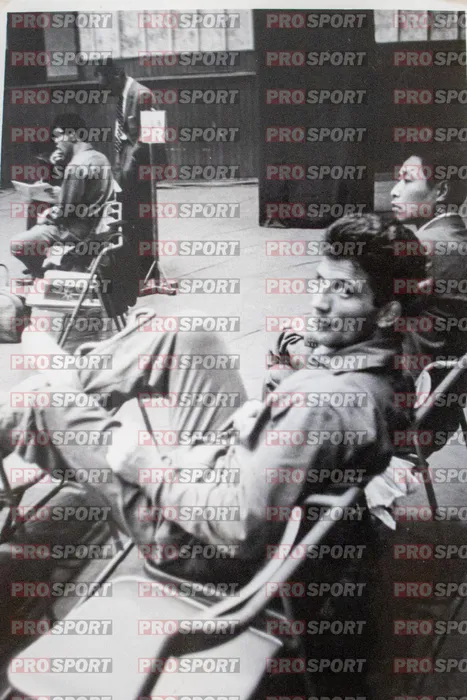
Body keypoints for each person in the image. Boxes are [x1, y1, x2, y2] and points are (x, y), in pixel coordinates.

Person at [0, 214, 425, 696]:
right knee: (190, 335)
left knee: (43, 401)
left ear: (387, 312)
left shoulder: (323, 406)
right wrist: (279, 397)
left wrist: (145, 464)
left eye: (344, 291)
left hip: (193, 540)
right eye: (319, 282)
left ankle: (43, 377)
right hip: (227, 470)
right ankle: (60, 378)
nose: (318, 301)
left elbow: (236, 525)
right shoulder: (378, 370)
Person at [390, 144, 467, 447]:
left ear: (442, 190)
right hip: (444, 406)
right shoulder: (458, 240)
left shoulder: (422, 246)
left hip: (403, 408)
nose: (395, 191)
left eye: (407, 180)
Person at [11, 113, 114, 278]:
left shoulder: (76, 165)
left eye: (58, 136)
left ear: (72, 135)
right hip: (97, 226)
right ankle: (56, 267)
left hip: (75, 231)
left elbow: (65, 212)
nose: (56, 142)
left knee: (17, 245)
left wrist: (47, 217)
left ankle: (44, 276)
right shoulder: (100, 158)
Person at [93, 59, 167, 291]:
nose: (106, 92)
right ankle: (135, 265)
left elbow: (150, 137)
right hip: (126, 162)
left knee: (143, 219)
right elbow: (124, 134)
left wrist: (128, 168)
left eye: (107, 86)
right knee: (128, 216)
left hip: (141, 166)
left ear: (117, 76)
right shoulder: (123, 96)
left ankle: (148, 268)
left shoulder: (142, 95)